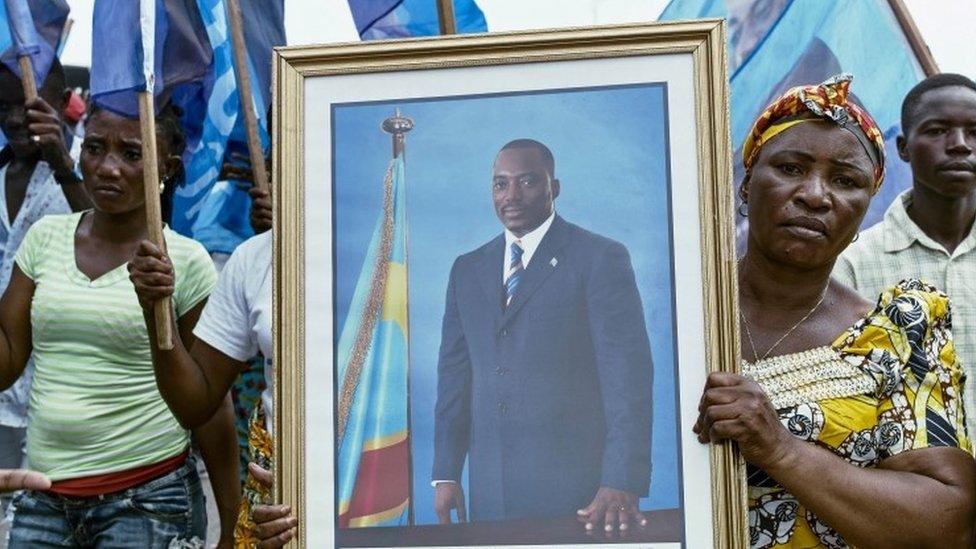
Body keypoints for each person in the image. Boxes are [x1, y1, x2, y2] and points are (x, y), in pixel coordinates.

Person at [696, 75, 976, 548]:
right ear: (746, 185)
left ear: (866, 207)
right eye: (789, 168)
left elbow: (950, 525)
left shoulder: (901, 333)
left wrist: (780, 448)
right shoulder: (672, 312)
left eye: (846, 181)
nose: (815, 195)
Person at [0, 102, 241, 548]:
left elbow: (211, 405)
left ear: (165, 167)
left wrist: (232, 526)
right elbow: (7, 362)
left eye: (131, 154)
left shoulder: (186, 262)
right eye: (94, 148)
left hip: (148, 501)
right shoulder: (44, 239)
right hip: (43, 496)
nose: (108, 168)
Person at [431, 139, 654, 531]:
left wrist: (621, 478)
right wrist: (447, 473)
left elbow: (628, 377)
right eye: (500, 184)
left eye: (528, 182)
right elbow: (455, 378)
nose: (511, 196)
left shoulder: (600, 258)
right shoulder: (466, 270)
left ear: (555, 188)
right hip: (491, 493)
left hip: (579, 493)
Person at [129, 172, 297, 547]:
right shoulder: (255, 258)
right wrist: (156, 307)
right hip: (277, 511)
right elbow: (196, 402)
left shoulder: (401, 242)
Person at [833, 73, 976, 437]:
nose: (959, 145)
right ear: (903, 148)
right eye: (937, 130)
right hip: (917, 487)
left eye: (974, 131)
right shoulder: (852, 264)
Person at [0, 60, 92, 502]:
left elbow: (103, 230)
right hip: (1, 384)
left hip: (51, 394)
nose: (17, 117)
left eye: (29, 105)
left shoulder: (86, 177)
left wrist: (63, 162)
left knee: (41, 511)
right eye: (5, 106)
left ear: (59, 104)